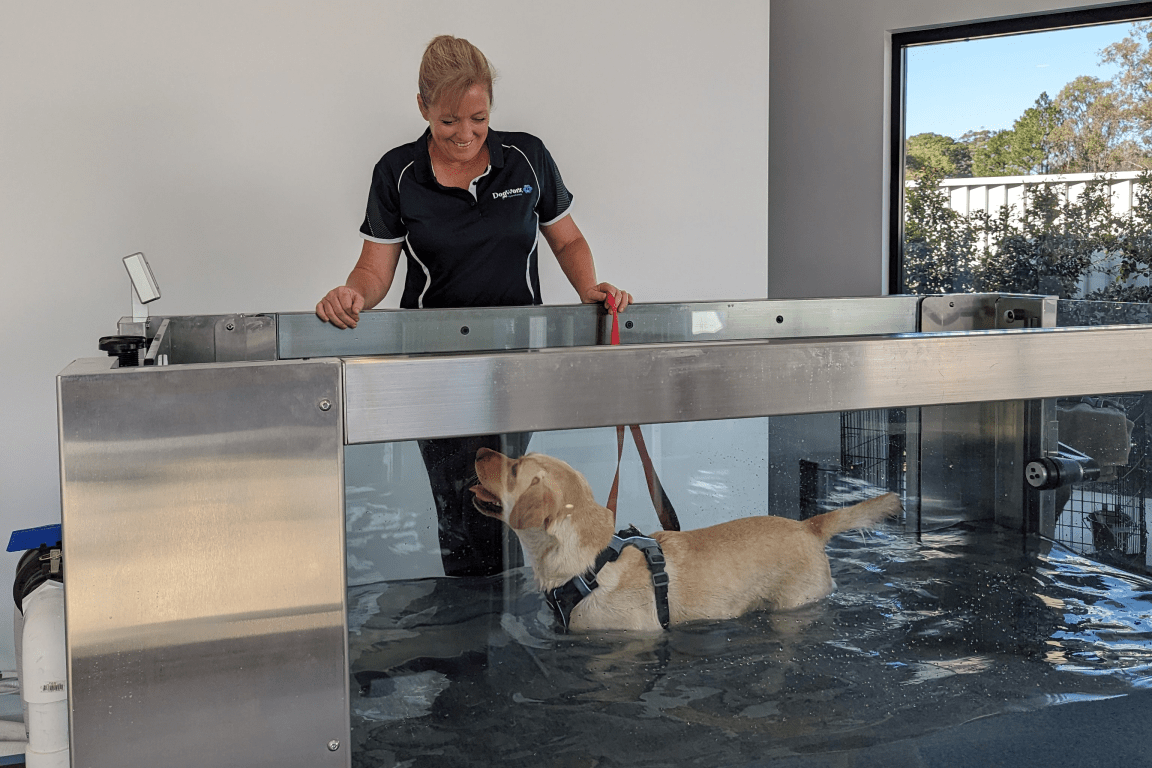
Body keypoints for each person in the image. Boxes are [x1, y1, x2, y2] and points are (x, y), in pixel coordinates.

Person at [317, 35, 632, 577]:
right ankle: (472, 642)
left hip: (515, 365)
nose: (465, 134)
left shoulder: (526, 158)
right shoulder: (397, 173)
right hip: (434, 370)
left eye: (478, 118)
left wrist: (590, 290)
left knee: (513, 508)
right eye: (448, 122)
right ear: (423, 109)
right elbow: (374, 272)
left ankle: (510, 622)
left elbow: (568, 241)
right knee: (459, 511)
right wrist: (352, 295)